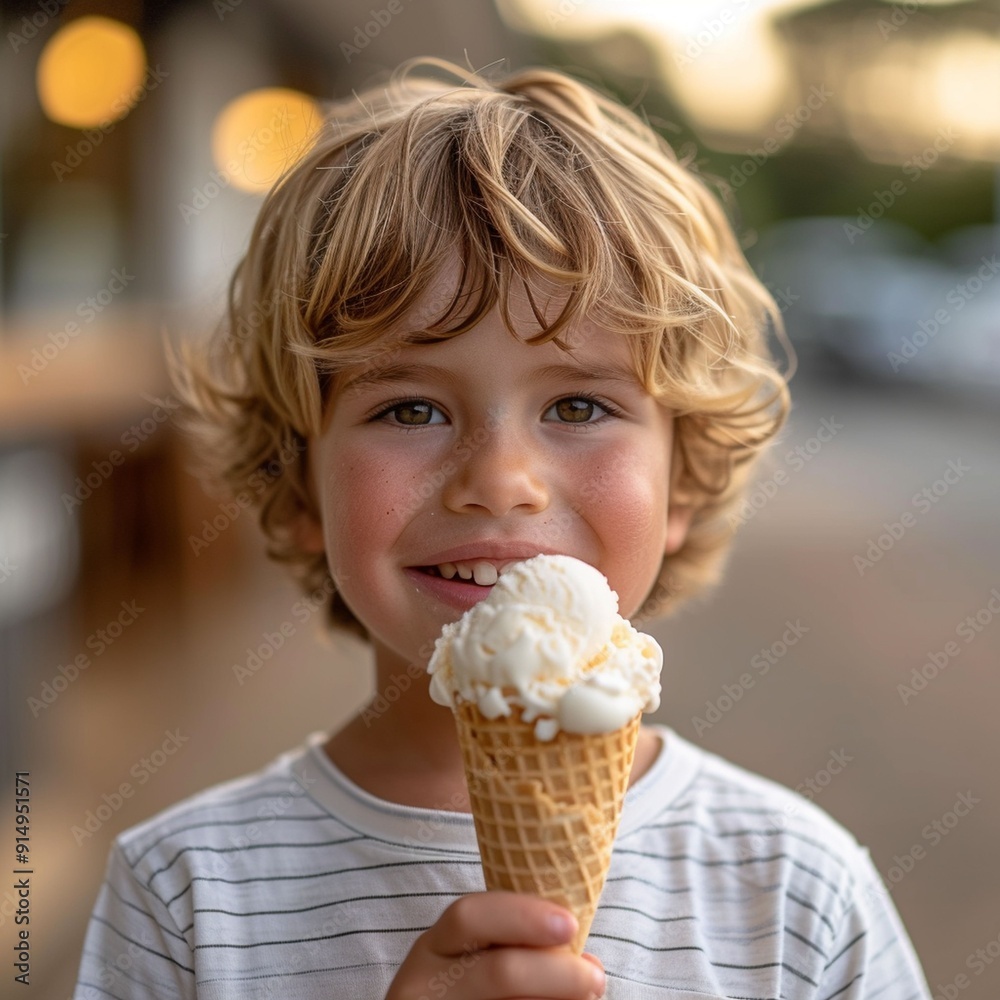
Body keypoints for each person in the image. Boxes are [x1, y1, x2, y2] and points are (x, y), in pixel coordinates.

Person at [74, 58, 931, 999]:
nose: (500, 482)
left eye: (576, 406)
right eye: (409, 410)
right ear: (298, 487)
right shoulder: (184, 895)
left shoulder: (798, 890)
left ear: (682, 478)